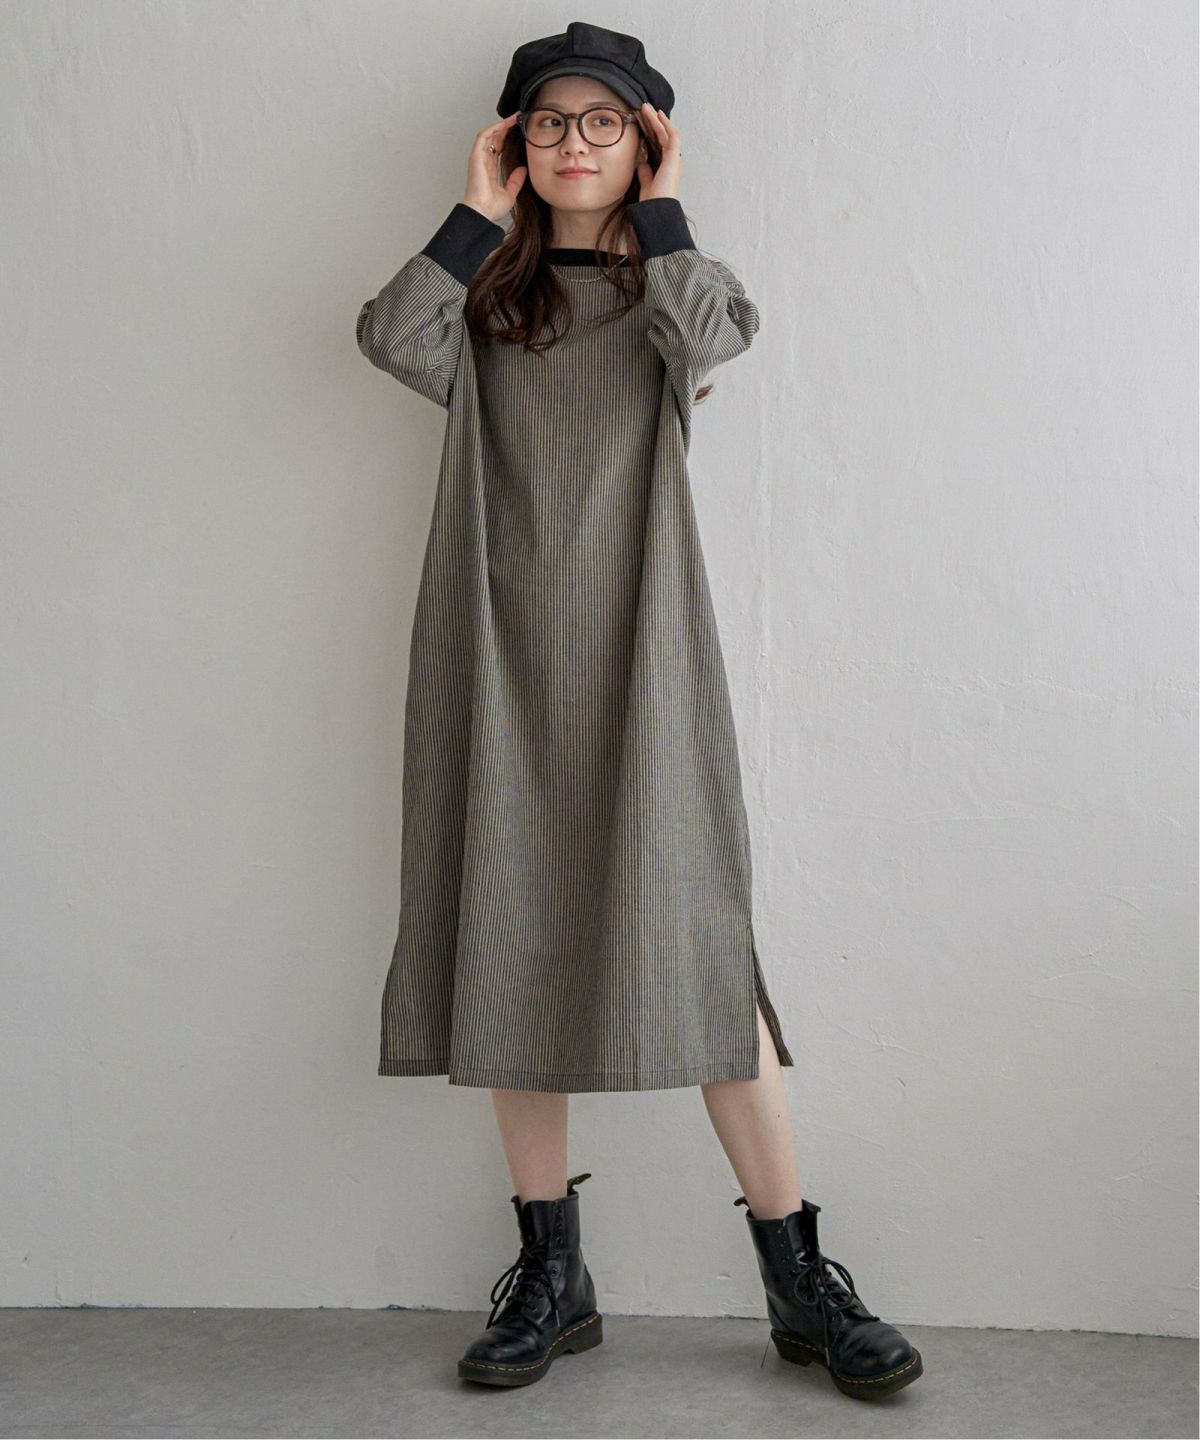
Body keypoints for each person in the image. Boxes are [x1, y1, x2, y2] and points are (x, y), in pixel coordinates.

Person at [356, 20, 922, 1403]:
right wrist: (475, 211)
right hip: (494, 645)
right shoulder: (481, 300)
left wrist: (661, 208)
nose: (574, 144)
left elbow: (716, 332)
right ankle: (554, 1277)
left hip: (643, 645)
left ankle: (799, 1280)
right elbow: (386, 337)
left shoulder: (673, 288)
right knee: (508, 933)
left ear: (647, 142)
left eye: (603, 122)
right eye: (548, 122)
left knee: (706, 950)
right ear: (515, 143)